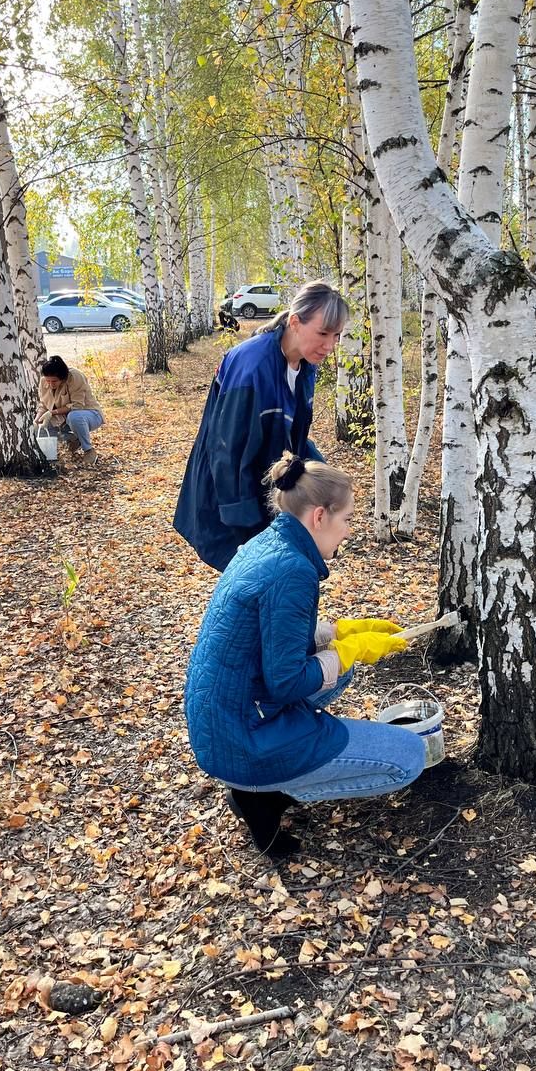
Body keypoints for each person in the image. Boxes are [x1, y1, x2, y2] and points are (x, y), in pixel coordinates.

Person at [183, 453, 426, 859]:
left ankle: (266, 778)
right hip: (243, 740)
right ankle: (263, 793)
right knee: (409, 758)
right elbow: (287, 680)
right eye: (346, 519)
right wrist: (351, 650)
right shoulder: (293, 571)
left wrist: (340, 632)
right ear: (319, 516)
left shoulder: (267, 543)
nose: (348, 532)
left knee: (338, 667)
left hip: (224, 720)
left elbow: (269, 638)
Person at [174, 280, 348, 571]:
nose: (330, 346)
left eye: (337, 335)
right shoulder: (251, 365)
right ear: (295, 322)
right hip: (229, 496)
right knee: (255, 580)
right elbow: (225, 451)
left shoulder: (304, 366)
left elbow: (292, 436)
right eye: (322, 333)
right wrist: (246, 528)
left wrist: (326, 477)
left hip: (265, 487)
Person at [35, 355, 104, 465]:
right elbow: (43, 404)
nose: (50, 384)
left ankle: (89, 451)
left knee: (74, 417)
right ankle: (67, 444)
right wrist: (38, 419)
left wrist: (53, 412)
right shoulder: (44, 381)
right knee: (42, 427)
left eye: (54, 381)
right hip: (63, 420)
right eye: (48, 381)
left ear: (62, 378)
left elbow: (77, 405)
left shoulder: (75, 376)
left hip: (89, 414)